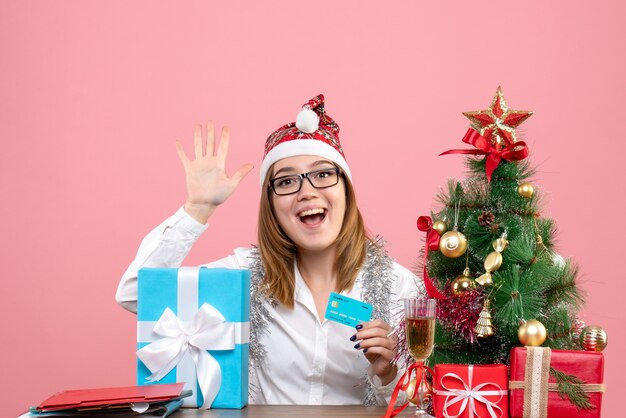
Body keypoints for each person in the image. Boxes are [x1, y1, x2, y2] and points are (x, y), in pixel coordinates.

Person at [116, 94, 424, 406]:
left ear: (346, 188)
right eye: (287, 181)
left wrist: (387, 374)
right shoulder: (243, 276)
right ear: (272, 206)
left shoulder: (401, 288)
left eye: (322, 174)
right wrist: (197, 210)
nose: (306, 192)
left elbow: (426, 406)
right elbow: (134, 293)